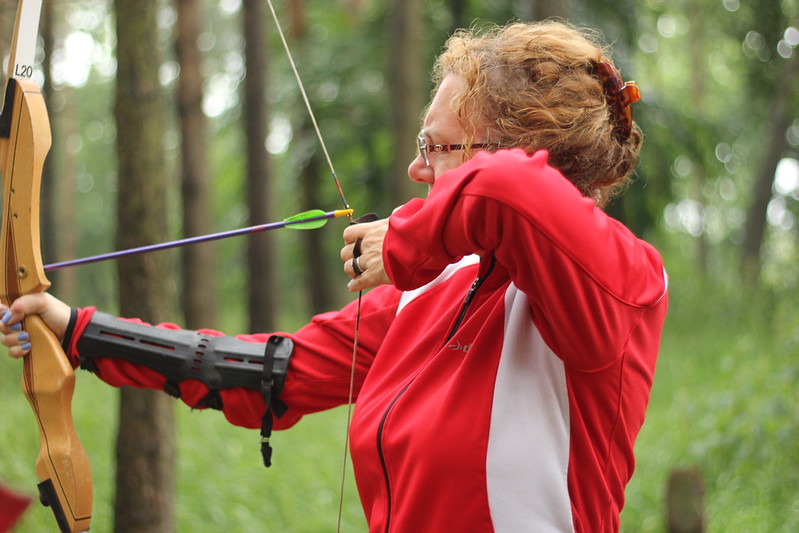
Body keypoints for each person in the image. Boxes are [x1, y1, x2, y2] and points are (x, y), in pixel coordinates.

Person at [2, 20, 667, 533]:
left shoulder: (621, 282)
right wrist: (78, 332)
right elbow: (270, 372)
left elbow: (507, 190)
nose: (416, 169)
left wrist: (402, 242)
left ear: (521, 147)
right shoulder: (433, 296)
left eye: (434, 146)